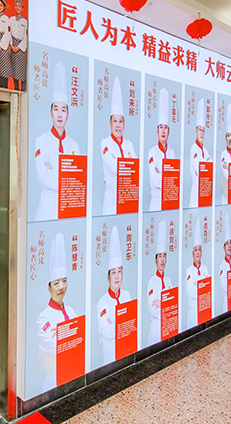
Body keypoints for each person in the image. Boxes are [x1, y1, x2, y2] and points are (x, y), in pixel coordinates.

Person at [33, 62, 81, 221]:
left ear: (68, 114)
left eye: (63, 110)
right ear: (50, 112)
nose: (60, 114)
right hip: (47, 211)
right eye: (56, 109)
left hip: (69, 209)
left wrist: (54, 171)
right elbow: (43, 177)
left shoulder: (74, 145)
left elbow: (77, 180)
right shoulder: (41, 141)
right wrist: (66, 177)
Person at [35, 233, 77, 392]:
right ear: (49, 287)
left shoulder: (71, 311)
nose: (61, 287)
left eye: (64, 281)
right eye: (56, 283)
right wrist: (69, 336)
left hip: (71, 373)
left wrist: (61, 335)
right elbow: (53, 347)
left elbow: (79, 341)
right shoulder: (43, 318)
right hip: (53, 379)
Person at [95, 225, 132, 365]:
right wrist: (122, 322)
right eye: (113, 272)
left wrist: (114, 322)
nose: (117, 276)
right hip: (110, 356)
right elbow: (107, 332)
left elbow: (131, 325)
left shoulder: (127, 296)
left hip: (127, 350)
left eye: (119, 271)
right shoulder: (102, 303)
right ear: (108, 277)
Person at [100, 76, 137, 215]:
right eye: (115, 121)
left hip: (127, 199)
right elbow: (114, 167)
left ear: (124, 124)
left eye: (120, 121)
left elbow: (136, 169)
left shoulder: (129, 145)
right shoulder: (105, 143)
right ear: (110, 123)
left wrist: (122, 164)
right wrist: (127, 165)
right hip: (111, 202)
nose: (117, 125)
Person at [147, 88, 175, 211]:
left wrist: (161, 173)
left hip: (169, 202)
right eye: (161, 127)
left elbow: (174, 180)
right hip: (156, 204)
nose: (163, 131)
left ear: (169, 131)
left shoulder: (172, 153)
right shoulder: (152, 152)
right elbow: (155, 180)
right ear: (157, 130)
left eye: (166, 128)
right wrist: (167, 177)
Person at [147, 221, 172, 346]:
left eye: (164, 256)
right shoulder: (151, 282)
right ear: (155, 260)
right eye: (160, 256)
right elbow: (154, 310)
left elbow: (173, 305)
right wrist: (166, 304)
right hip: (156, 329)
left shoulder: (168, 281)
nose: (162, 259)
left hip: (168, 325)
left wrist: (161, 303)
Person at [185, 217, 209, 329]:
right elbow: (191, 293)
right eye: (196, 250)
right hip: (193, 314)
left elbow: (208, 290)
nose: (198, 252)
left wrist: (197, 284)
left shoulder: (205, 268)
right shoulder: (189, 271)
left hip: (204, 309)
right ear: (192, 253)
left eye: (199, 249)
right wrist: (201, 284)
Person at [189, 98, 212, 208]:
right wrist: (205, 162)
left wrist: (205, 165)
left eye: (203, 130)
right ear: (195, 130)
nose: (201, 133)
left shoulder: (205, 150)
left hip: (205, 190)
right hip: (196, 192)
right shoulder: (193, 148)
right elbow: (200, 167)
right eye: (199, 130)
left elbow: (210, 167)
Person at [219, 103, 231, 205]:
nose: (230, 138)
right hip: (225, 198)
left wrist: (229, 167)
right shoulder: (223, 155)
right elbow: (227, 176)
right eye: (228, 136)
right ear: (225, 138)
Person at [218, 212, 231, 312]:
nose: (229, 246)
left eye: (230, 243)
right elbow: (224, 286)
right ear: (224, 247)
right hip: (227, 301)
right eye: (227, 244)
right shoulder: (222, 266)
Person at [9, 0, 28, 92]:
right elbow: (8, 32)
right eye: (16, 6)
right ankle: (16, 89)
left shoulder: (25, 22)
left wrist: (19, 47)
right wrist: (11, 45)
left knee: (22, 72)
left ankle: (23, 90)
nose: (17, 8)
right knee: (14, 70)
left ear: (22, 8)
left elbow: (26, 36)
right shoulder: (11, 19)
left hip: (21, 48)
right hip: (13, 46)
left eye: (19, 6)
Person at [0, 0, 13, 88]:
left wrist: (0, 46)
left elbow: (7, 34)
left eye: (1, 5)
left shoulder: (7, 19)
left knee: (3, 71)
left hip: (2, 47)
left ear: (4, 7)